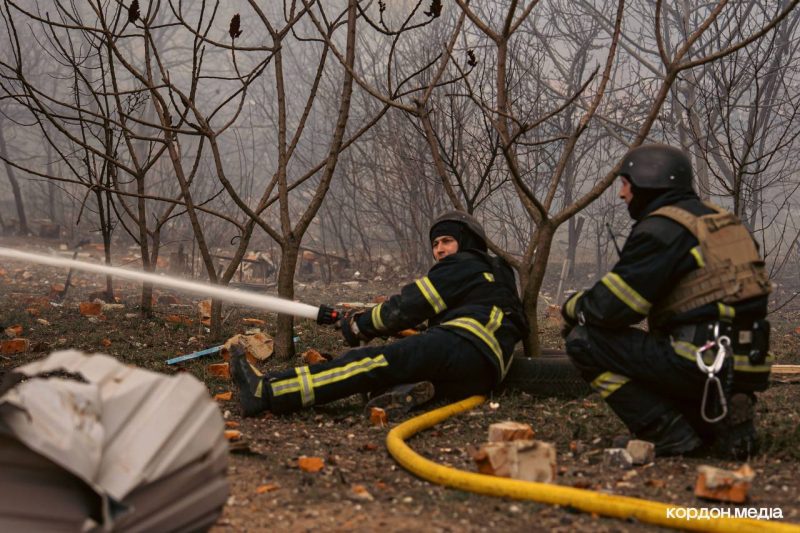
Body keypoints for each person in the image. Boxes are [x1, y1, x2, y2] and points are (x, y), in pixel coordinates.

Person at [561, 144, 772, 459]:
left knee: (584, 339)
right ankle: (716, 420)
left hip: (696, 359)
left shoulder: (663, 228)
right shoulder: (724, 223)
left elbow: (612, 309)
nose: (622, 194)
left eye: (625, 183)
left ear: (648, 180)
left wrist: (572, 306)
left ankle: (669, 434)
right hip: (744, 365)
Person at [231, 211, 528, 417]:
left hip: (465, 344)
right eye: (435, 244)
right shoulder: (495, 273)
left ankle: (267, 392)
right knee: (395, 369)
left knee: (366, 363)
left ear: (467, 243)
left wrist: (361, 325)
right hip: (484, 371)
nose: (439, 250)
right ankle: (403, 394)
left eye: (446, 241)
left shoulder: (465, 264)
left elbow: (409, 306)